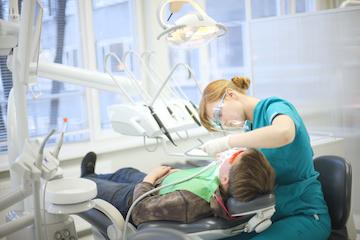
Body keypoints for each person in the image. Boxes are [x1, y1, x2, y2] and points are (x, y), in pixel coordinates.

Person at [198, 76, 331, 240]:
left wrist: (227, 142)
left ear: (231, 94)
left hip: (305, 214)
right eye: (218, 123)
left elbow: (284, 133)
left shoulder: (274, 106)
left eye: (218, 114)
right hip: (272, 214)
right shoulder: (250, 127)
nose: (223, 123)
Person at [80, 148, 275, 226]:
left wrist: (151, 178)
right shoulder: (224, 178)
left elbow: (139, 211)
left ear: (225, 179)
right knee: (125, 171)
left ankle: (87, 179)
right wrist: (174, 174)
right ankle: (92, 174)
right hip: (160, 184)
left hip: (135, 198)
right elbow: (199, 175)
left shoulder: (189, 201)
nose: (231, 154)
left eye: (233, 158)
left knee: (92, 187)